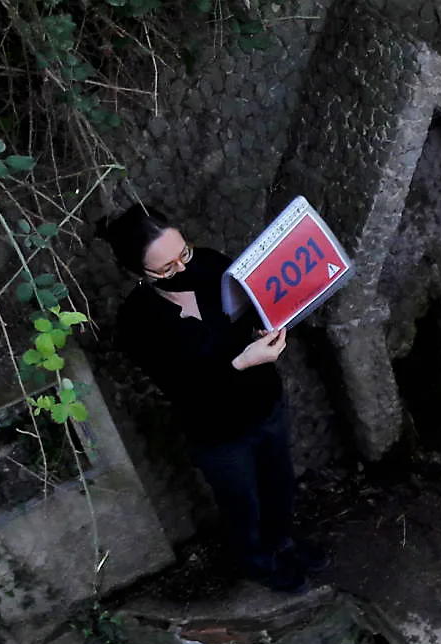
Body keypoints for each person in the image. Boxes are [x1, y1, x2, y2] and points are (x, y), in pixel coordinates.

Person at [97, 204, 324, 593]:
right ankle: (260, 563)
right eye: (165, 268)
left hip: (265, 403)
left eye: (183, 252)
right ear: (136, 273)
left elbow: (255, 304)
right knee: (243, 504)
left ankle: (284, 542)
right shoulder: (139, 322)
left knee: (280, 483)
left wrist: (268, 324)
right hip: (218, 432)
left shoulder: (211, 265)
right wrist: (239, 362)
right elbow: (186, 390)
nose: (182, 268)